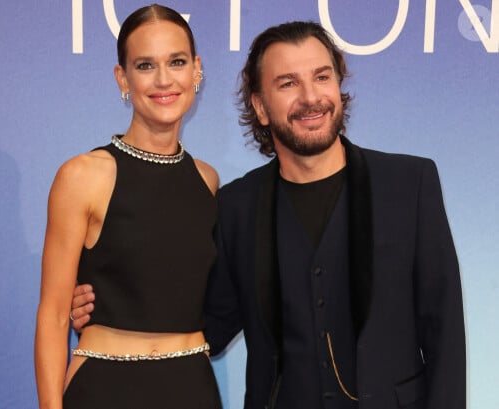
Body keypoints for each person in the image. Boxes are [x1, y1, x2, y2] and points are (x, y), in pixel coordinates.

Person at [72, 21, 466, 409]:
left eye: (322, 77)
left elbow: (444, 331)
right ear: (260, 106)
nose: (311, 97)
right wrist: (106, 311)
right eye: (288, 83)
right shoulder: (237, 205)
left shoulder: (409, 183)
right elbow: (203, 325)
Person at [34, 4, 222, 409]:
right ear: (123, 78)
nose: (164, 80)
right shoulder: (83, 175)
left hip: (193, 389)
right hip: (105, 388)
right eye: (144, 65)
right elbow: (52, 317)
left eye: (176, 61)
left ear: (196, 70)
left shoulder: (208, 181)